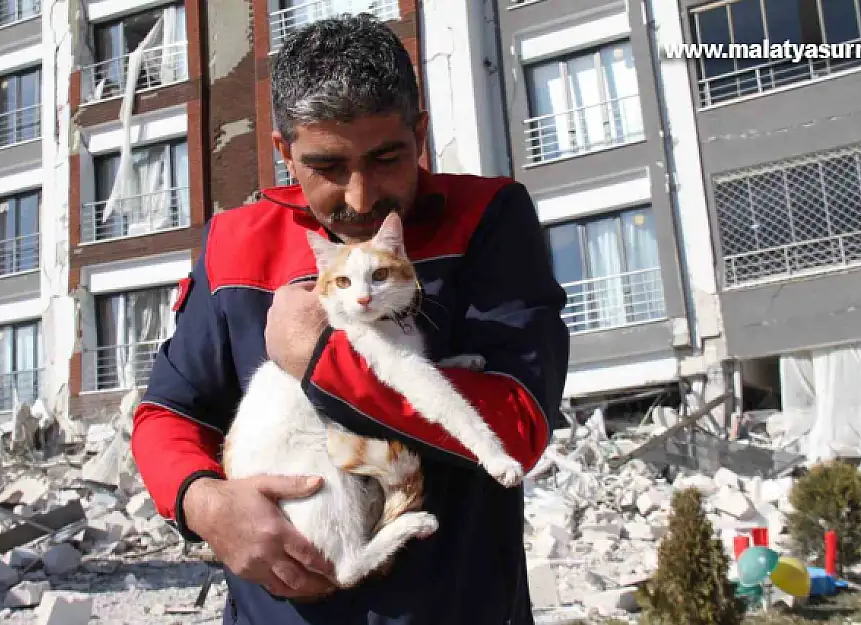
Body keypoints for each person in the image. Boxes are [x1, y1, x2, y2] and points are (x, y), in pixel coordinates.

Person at [130, 13, 570, 625]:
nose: (361, 197)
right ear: (284, 152)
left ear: (419, 134)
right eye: (328, 167)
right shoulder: (234, 242)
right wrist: (204, 505)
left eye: (387, 156)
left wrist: (318, 359)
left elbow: (519, 425)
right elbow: (166, 414)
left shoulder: (486, 217)